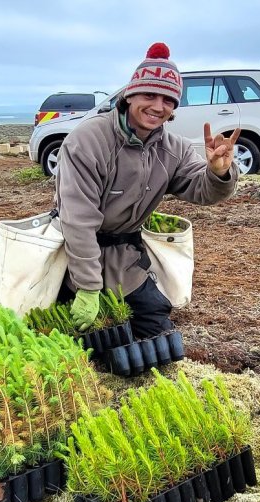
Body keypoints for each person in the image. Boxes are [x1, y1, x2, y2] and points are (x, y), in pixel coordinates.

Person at [54, 42, 241, 338]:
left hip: (127, 260)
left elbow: (202, 189)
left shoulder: (174, 149)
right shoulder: (87, 140)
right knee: (71, 339)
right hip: (72, 260)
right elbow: (78, 220)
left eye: (167, 99)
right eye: (149, 95)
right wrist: (88, 288)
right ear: (130, 95)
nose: (157, 106)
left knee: (157, 332)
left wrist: (218, 173)